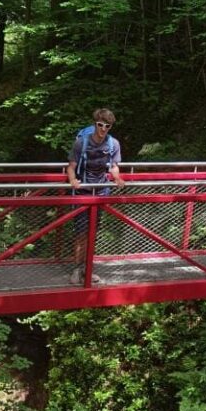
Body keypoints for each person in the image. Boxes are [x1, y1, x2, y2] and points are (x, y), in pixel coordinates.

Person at [66, 108, 124, 285]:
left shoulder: (113, 144)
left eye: (107, 125)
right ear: (95, 124)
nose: (103, 129)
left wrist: (117, 177)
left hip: (100, 193)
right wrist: (73, 180)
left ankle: (87, 269)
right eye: (100, 125)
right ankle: (77, 269)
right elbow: (71, 167)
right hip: (82, 192)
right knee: (81, 233)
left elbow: (113, 166)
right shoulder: (81, 143)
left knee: (92, 233)